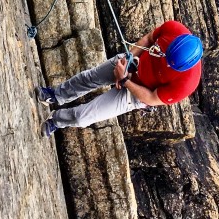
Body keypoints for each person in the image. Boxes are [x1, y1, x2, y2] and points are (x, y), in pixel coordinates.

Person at [37, 20, 203, 135]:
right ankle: (55, 95)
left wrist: (125, 81)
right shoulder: (173, 29)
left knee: (84, 117)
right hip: (133, 63)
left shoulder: (187, 84)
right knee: (89, 78)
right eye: (166, 55)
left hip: (138, 93)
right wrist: (127, 59)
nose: (164, 61)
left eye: (170, 63)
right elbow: (149, 39)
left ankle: (56, 121)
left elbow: (152, 98)